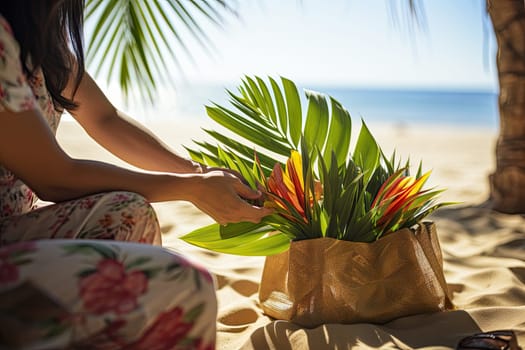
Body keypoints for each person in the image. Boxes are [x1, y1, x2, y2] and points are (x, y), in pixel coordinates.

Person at [0, 1, 271, 349]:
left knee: (130, 213)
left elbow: (105, 119)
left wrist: (197, 173)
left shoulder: (45, 50)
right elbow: (53, 176)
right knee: (185, 283)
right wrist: (191, 189)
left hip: (11, 231)